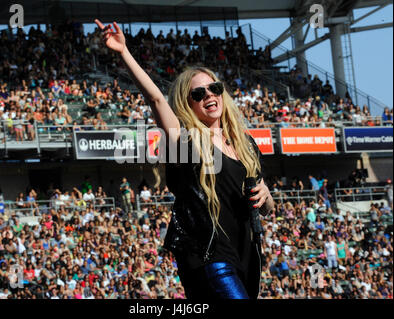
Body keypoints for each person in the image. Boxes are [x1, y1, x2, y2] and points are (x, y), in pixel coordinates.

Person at [95, 19, 274, 299]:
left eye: (214, 88)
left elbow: (266, 207)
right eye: (198, 94)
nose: (209, 96)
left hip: (247, 257)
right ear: (187, 102)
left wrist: (267, 194)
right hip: (209, 256)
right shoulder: (186, 142)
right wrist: (123, 53)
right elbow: (155, 99)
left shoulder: (245, 143)